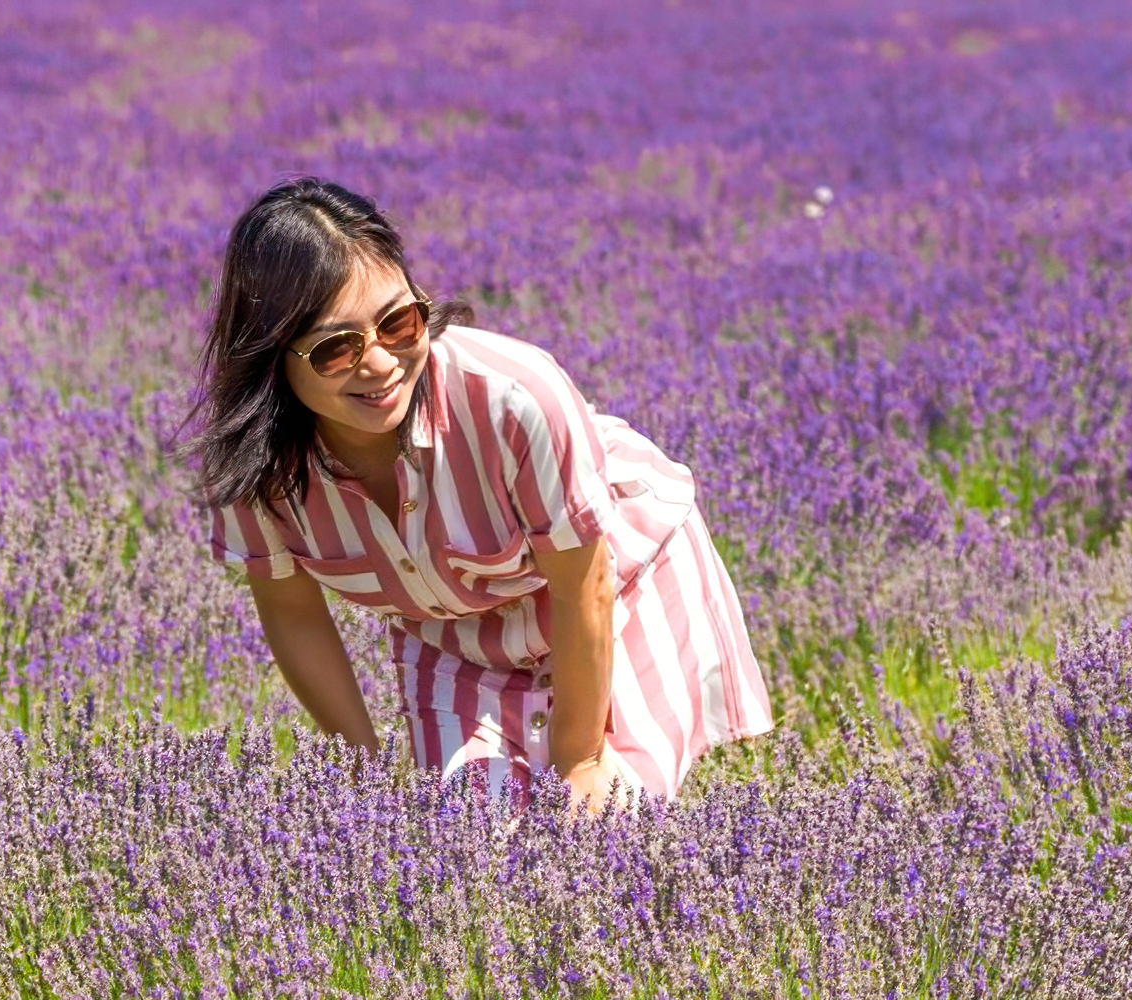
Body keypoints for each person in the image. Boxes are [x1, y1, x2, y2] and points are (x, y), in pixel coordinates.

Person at [183, 177, 775, 814]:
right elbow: (294, 614)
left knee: (605, 828)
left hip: (620, 583)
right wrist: (365, 777)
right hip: (453, 634)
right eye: (335, 349)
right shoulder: (254, 472)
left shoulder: (515, 401)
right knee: (472, 842)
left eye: (398, 321)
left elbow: (586, 586)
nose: (380, 362)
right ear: (273, 355)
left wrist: (579, 760)